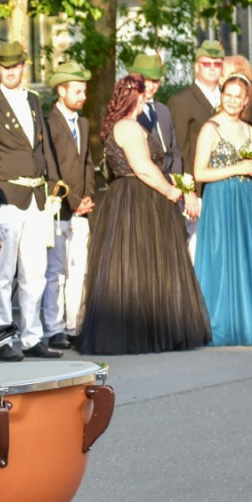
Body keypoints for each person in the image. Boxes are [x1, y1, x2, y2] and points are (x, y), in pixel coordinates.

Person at [78, 74, 210, 355]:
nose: (147, 96)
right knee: (144, 264)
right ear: (134, 97)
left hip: (125, 196)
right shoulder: (130, 128)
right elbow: (143, 168)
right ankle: (146, 332)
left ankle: (141, 329)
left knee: (133, 266)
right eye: (142, 92)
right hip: (138, 198)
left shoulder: (118, 126)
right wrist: (169, 191)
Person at [0, 40, 62, 361]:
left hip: (37, 196)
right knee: (2, 274)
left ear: (25, 67)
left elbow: (43, 147)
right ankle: (0, 339)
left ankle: (31, 336)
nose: (11, 72)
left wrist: (53, 182)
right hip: (6, 196)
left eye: (17, 67)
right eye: (6, 67)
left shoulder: (34, 100)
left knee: (35, 272)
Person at [192, 76, 252, 346]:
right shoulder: (210, 128)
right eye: (228, 95)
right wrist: (237, 169)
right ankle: (220, 324)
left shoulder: (249, 130)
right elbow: (199, 172)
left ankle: (247, 323)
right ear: (221, 96)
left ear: (246, 100)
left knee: (246, 258)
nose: (233, 101)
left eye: (238, 96)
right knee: (222, 258)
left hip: (245, 199)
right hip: (221, 199)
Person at [42, 61, 97, 348]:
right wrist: (73, 201)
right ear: (61, 90)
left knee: (80, 271)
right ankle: (55, 327)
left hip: (81, 208)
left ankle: (75, 325)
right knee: (57, 272)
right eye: (77, 90)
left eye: (84, 90)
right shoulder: (49, 124)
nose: (83, 96)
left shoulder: (84, 123)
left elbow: (87, 162)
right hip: (59, 208)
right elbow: (51, 169)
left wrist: (88, 196)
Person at [167, 40, 224, 176]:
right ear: (197, 67)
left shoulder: (229, 98)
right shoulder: (181, 101)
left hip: (227, 181)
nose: (212, 68)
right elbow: (179, 149)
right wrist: (188, 188)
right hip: (197, 184)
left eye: (217, 64)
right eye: (206, 64)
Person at [130, 53, 183, 178]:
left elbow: (174, 149)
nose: (150, 86)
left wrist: (177, 178)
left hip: (171, 180)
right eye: (145, 80)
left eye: (155, 81)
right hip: (145, 181)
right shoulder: (129, 111)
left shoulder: (163, 110)